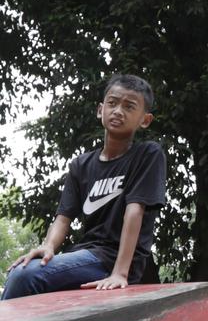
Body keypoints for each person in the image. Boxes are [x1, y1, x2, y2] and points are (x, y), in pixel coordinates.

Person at [3, 74, 166, 300]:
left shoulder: (147, 154)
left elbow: (135, 210)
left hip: (112, 259)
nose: (118, 111)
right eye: (112, 103)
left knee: (24, 276)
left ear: (145, 120)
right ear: (100, 110)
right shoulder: (81, 165)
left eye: (129, 106)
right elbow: (63, 217)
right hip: (85, 254)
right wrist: (48, 246)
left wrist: (120, 273)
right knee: (21, 269)